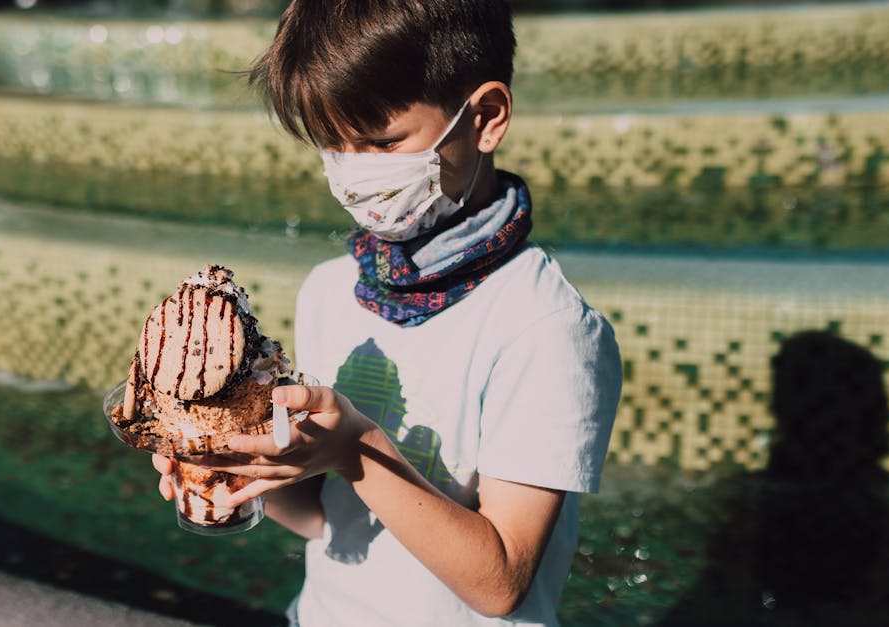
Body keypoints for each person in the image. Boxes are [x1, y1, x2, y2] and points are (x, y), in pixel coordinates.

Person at [152, 1, 622, 625]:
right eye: (333, 146)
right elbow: (324, 520)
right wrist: (233, 470)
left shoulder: (546, 327)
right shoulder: (330, 289)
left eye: (382, 142)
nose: (353, 172)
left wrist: (355, 449)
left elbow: (502, 581)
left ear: (485, 117)